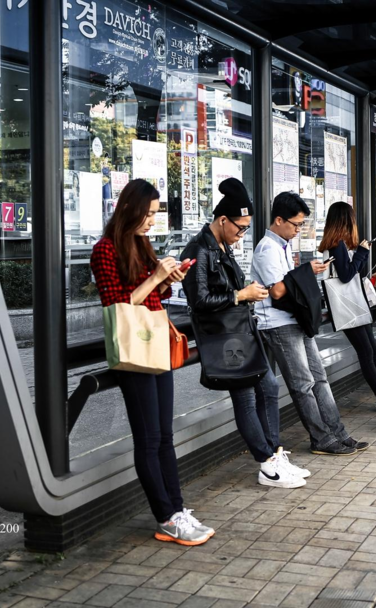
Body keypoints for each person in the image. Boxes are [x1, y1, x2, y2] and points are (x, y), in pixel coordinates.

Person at [91, 179, 213, 546]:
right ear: (130, 210)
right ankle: (165, 517)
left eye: (155, 215)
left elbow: (151, 296)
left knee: (164, 436)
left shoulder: (141, 245)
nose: (151, 222)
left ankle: (176, 510)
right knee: (148, 439)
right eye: (148, 214)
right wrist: (157, 277)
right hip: (132, 352)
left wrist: (168, 280)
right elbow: (118, 305)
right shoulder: (104, 250)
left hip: (155, 342)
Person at [180, 178, 308, 488]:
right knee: (247, 398)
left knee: (268, 388)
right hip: (225, 338)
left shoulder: (221, 245)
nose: (242, 235)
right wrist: (241, 296)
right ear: (222, 220)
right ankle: (266, 463)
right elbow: (198, 301)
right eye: (240, 228)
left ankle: (274, 454)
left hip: (240, 332)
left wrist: (247, 293)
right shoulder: (200, 249)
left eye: (246, 229)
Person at [252, 192, 368, 456]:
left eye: (300, 225)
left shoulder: (281, 245)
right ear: (279, 220)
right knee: (303, 383)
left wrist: (305, 271)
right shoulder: (266, 248)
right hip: (279, 324)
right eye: (295, 224)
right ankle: (321, 439)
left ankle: (337, 433)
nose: (297, 230)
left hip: (296, 319)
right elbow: (278, 291)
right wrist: (308, 271)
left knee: (320, 378)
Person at [318, 202, 376, 413]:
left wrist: (362, 253)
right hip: (347, 306)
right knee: (366, 351)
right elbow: (345, 275)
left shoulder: (337, 244)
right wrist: (361, 252)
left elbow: (354, 271)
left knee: (370, 349)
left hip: (352, 305)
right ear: (346, 220)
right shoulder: (336, 245)